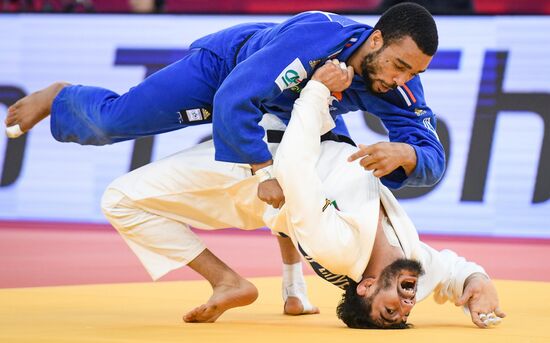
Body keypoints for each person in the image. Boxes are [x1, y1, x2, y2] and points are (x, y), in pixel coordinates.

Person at [5, 2, 443, 318]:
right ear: (377, 38)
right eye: (399, 65)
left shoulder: (397, 82)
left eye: (413, 73)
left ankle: (294, 289)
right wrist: (261, 169)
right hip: (224, 73)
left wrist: (407, 153)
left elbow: (432, 156)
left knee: (318, 174)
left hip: (294, 103)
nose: (401, 79)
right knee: (111, 123)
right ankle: (62, 95)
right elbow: (237, 96)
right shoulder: (313, 39)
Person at [100, 62, 505, 328]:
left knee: (120, 198)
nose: (406, 307)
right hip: (303, 144)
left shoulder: (338, 248)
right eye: (404, 315)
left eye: (389, 313)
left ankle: (226, 280)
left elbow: (294, 171)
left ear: (365, 288)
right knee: (306, 206)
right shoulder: (410, 260)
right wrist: (477, 281)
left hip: (256, 175)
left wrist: (316, 91)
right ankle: (293, 290)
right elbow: (450, 269)